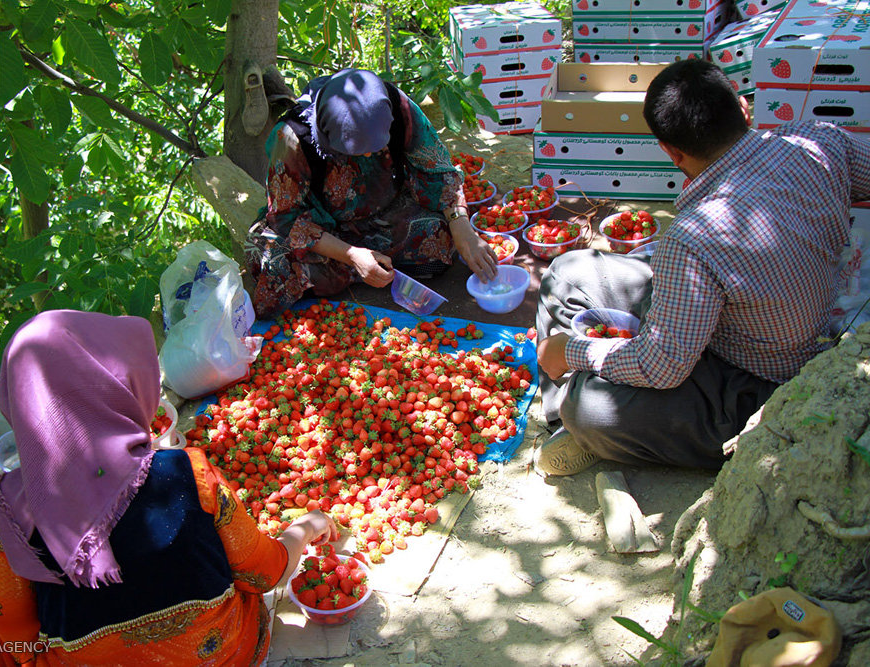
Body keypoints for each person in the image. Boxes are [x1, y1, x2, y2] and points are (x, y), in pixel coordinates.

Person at [534, 59, 870, 476]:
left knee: (590, 409)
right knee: (566, 272)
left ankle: (583, 421)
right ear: (742, 107)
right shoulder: (818, 142)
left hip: (766, 380)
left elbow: (662, 364)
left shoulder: (693, 238)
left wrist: (574, 351)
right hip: (732, 321)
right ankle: (570, 420)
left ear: (672, 152)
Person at [0, 310, 337, 665]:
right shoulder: (187, 475)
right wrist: (307, 527)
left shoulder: (10, 517)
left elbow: (16, 637)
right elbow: (264, 574)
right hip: (218, 657)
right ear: (125, 386)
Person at [244, 68, 498, 320]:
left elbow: (437, 168)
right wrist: (351, 254)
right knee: (273, 266)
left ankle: (361, 270)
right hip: (323, 230)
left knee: (439, 235)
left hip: (383, 214)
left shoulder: (395, 108)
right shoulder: (292, 139)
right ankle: (361, 267)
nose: (367, 156)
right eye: (354, 151)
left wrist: (461, 224)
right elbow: (286, 219)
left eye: (375, 147)